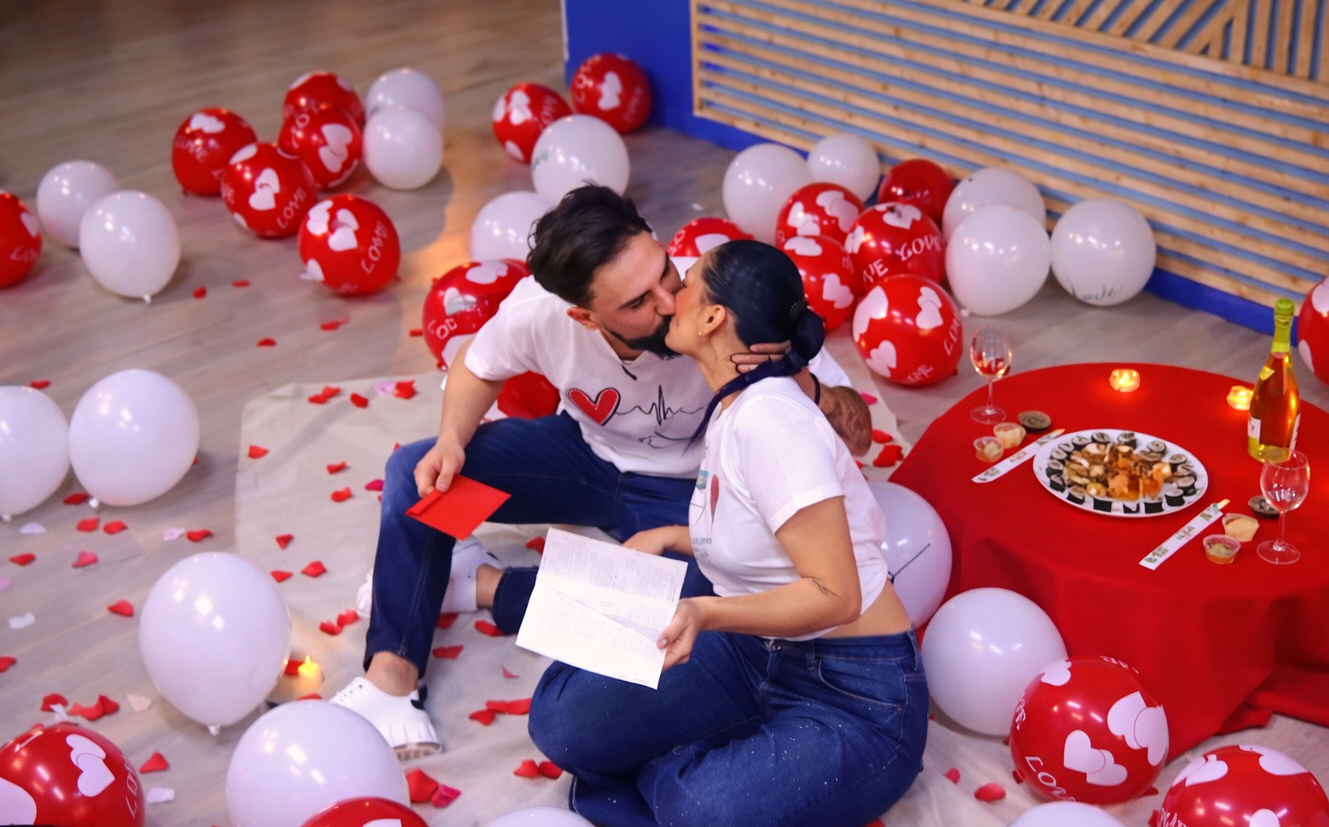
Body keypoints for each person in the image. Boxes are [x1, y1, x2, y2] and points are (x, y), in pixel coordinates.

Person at [331, 186, 873, 759]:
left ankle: (486, 585)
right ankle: (392, 678)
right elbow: (476, 365)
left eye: (665, 272)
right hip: (582, 458)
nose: (669, 302)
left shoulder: (719, 301)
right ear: (584, 316)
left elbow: (858, 434)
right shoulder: (540, 311)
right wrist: (450, 439)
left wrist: (797, 378)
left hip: (687, 489)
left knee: (718, 592)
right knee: (413, 473)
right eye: (638, 303)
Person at [528, 240, 926, 827]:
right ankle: (711, 755)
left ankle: (699, 766)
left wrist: (705, 612)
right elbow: (757, 534)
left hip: (853, 691)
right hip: (753, 650)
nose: (669, 299)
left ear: (714, 317)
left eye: (683, 282)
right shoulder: (734, 406)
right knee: (560, 722)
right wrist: (671, 536)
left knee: (701, 811)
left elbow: (837, 596)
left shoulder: (772, 421)